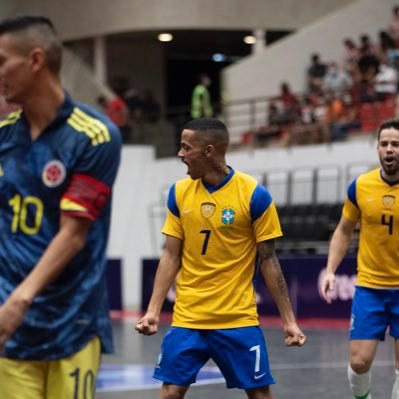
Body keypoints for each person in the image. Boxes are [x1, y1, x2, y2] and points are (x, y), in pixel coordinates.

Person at [135, 117, 306, 399]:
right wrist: (153, 311)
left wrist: (289, 320)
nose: (180, 154)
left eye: (186, 148)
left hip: (237, 318)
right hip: (189, 317)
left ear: (209, 151)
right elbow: (170, 255)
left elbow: (268, 260)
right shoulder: (178, 193)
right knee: (169, 393)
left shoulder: (254, 195)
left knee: (260, 394)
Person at [0, 15, 121, 399]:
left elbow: (73, 234)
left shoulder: (95, 136)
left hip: (73, 321)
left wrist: (22, 297)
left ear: (35, 60)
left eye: (1, 61)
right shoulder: (3, 137)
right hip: (11, 329)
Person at [319, 118, 399, 399]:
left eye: (396, 144)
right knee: (359, 362)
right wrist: (330, 270)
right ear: (377, 148)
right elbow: (343, 231)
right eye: (385, 143)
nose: (390, 149)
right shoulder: (361, 187)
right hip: (370, 288)